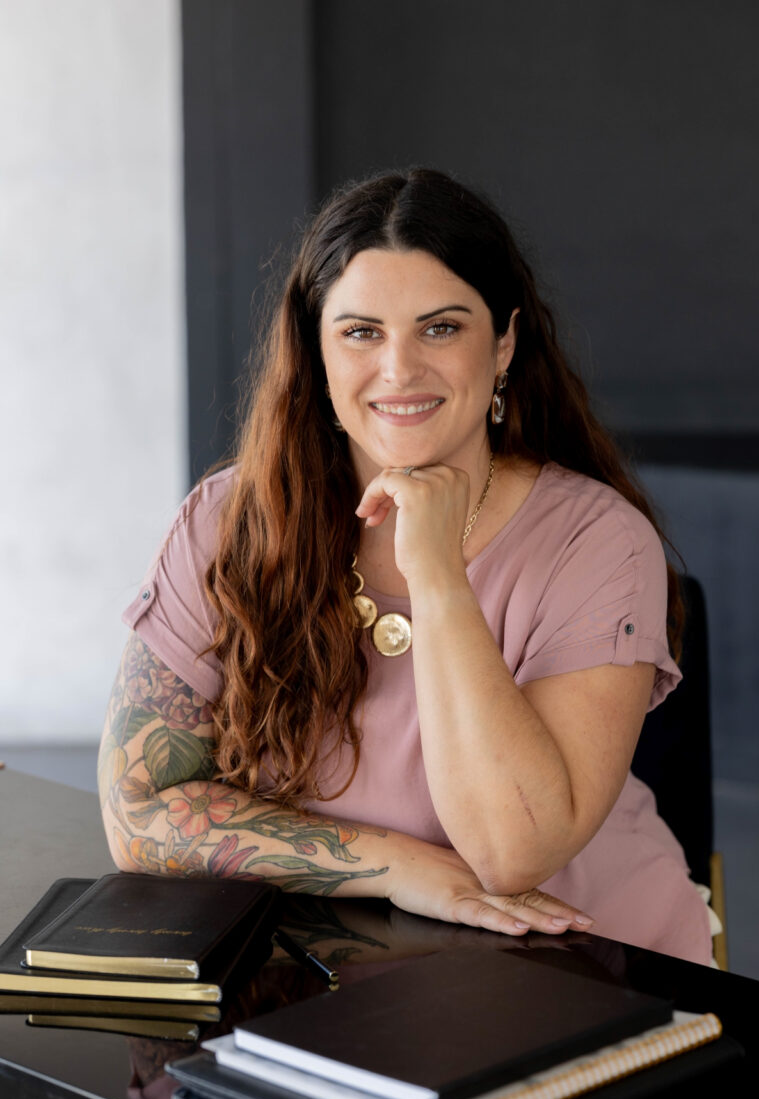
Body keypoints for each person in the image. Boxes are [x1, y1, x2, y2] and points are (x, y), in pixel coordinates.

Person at [98, 168, 713, 965]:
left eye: (441, 328)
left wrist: (437, 573)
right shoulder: (227, 522)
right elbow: (137, 810)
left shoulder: (599, 543)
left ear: (505, 345)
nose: (399, 370)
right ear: (315, 353)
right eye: (361, 332)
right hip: (323, 964)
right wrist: (398, 868)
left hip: (576, 964)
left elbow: (509, 855)